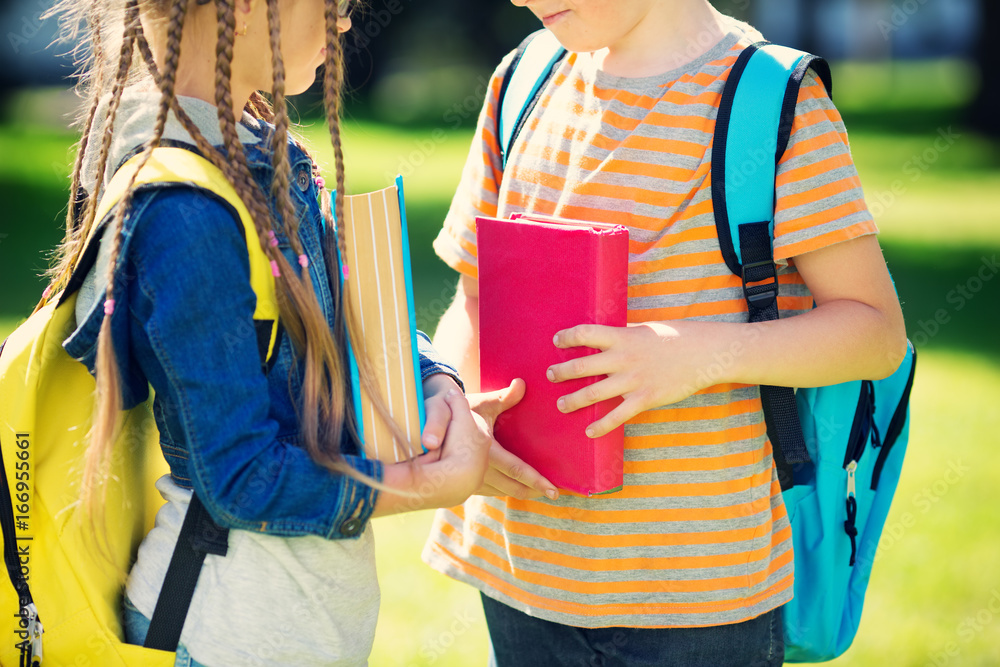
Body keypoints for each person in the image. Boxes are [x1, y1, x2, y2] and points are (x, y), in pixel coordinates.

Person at [424, 1, 908, 665]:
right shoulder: (522, 82)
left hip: (702, 594)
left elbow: (875, 331)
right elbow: (476, 298)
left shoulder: (772, 103)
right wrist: (451, 398)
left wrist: (692, 355)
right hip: (521, 571)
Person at [48, 0, 506, 663]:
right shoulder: (184, 211)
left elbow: (340, 317)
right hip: (219, 637)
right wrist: (427, 484)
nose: (345, 22)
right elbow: (240, 477)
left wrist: (435, 382)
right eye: (333, 4)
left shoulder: (262, 150)